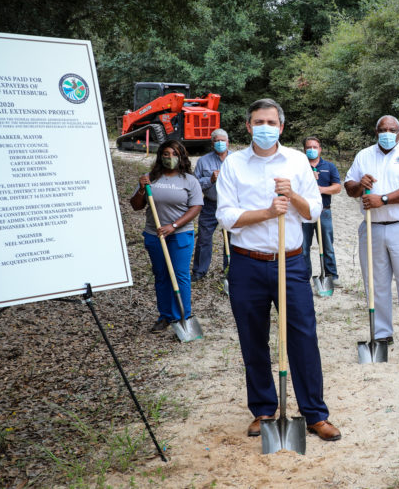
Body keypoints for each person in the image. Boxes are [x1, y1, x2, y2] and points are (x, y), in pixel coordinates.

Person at [215, 98, 341, 441]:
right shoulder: (235, 165)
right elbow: (226, 217)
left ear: (281, 127)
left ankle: (314, 414)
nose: (265, 127)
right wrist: (269, 212)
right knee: (252, 340)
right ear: (248, 126)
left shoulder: (298, 162)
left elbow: (313, 210)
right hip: (247, 264)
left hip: (292, 262)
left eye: (271, 122)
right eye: (259, 121)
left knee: (303, 337)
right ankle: (263, 410)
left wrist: (293, 196)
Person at [344, 115, 399, 354]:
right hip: (371, 227)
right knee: (375, 283)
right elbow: (350, 188)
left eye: (392, 130)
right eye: (383, 129)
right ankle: (382, 334)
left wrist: (383, 199)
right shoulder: (364, 155)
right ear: (376, 131)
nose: (387, 133)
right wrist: (361, 185)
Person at [130, 139, 203, 333]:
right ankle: (165, 316)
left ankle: (183, 316)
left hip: (180, 234)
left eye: (175, 154)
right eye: (166, 154)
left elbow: (196, 207)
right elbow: (136, 205)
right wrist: (140, 189)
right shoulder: (149, 178)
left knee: (180, 276)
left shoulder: (190, 180)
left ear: (181, 157)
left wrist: (174, 225)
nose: (170, 158)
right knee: (161, 276)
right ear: (160, 156)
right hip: (154, 235)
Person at [191, 128, 231, 281]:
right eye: (217, 141)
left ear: (228, 142)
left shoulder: (236, 160)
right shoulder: (203, 161)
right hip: (210, 204)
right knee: (204, 239)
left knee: (232, 239)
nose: (220, 143)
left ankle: (230, 272)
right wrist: (211, 180)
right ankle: (199, 272)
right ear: (212, 143)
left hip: (230, 204)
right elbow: (195, 185)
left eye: (223, 140)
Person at [302, 136, 342, 284]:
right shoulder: (300, 167)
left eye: (315, 147)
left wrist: (321, 189)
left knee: (327, 246)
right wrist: (309, 180)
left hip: (324, 211)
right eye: (309, 147)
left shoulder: (329, 166)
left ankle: (332, 275)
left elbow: (337, 187)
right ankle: (305, 277)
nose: (312, 150)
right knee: (304, 247)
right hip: (304, 212)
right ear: (304, 149)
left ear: (320, 149)